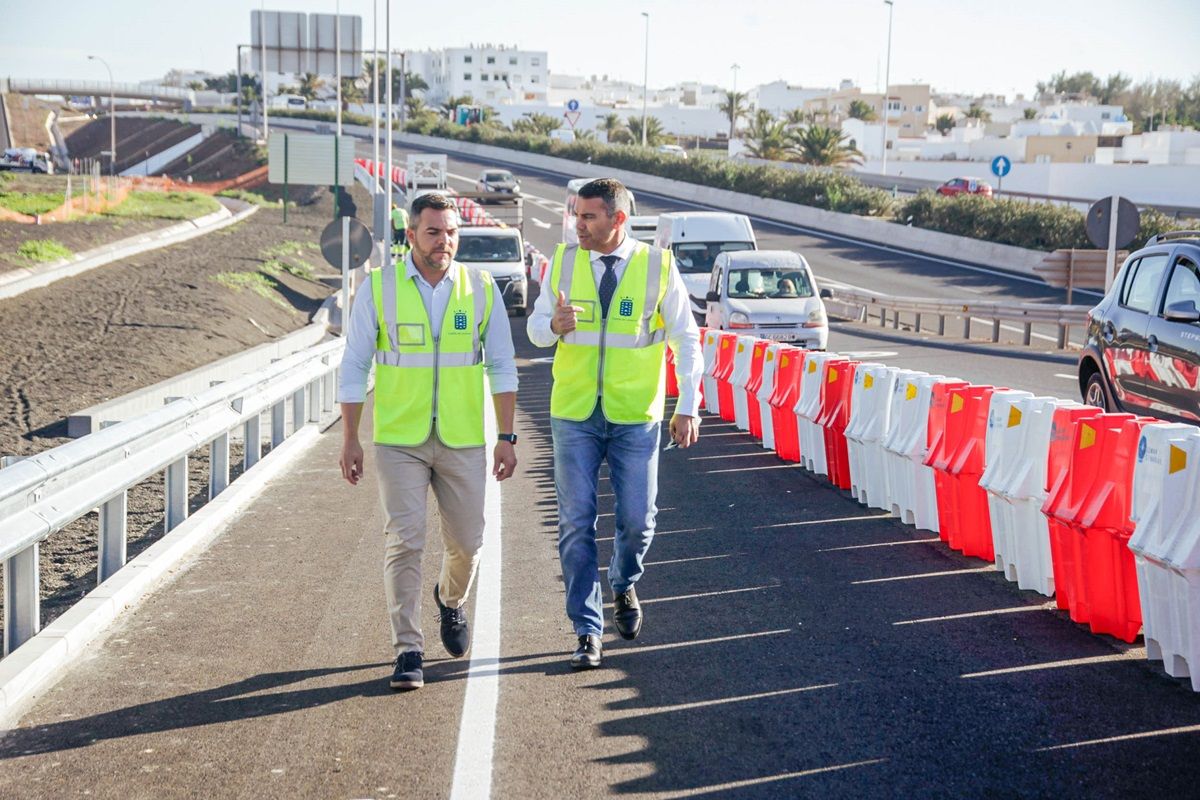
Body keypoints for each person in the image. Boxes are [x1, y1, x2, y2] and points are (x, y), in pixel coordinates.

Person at [338, 192, 519, 691]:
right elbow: (354, 364)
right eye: (434, 232)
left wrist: (506, 435)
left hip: (463, 438)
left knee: (468, 542)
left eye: (452, 232)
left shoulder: (481, 288)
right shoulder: (380, 288)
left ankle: (451, 600)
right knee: (405, 539)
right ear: (412, 234)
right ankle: (407, 651)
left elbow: (503, 365)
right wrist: (350, 437)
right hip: (400, 438)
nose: (445, 241)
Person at [528, 178, 703, 669]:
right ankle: (586, 630)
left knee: (636, 522)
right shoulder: (563, 261)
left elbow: (686, 340)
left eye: (588, 217)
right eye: (576, 216)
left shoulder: (657, 267)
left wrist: (687, 404)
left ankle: (623, 584)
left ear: (617, 219)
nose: (577, 225)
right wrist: (552, 327)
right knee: (576, 522)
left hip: (635, 418)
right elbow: (537, 329)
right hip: (574, 414)